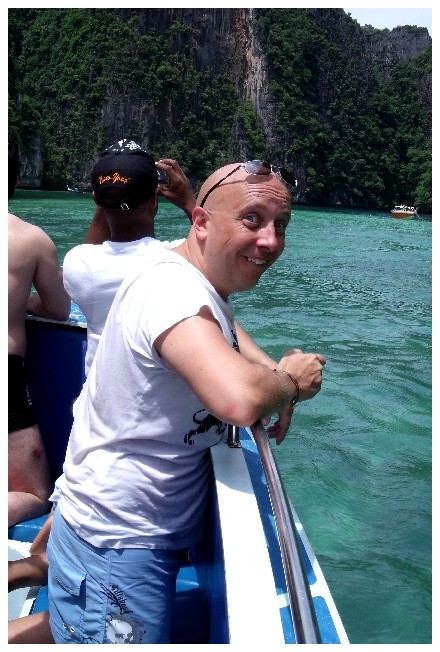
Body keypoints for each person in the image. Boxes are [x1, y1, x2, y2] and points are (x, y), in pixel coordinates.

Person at [47, 159, 326, 644]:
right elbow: (238, 400)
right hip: (120, 539)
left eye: (280, 225)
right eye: (253, 219)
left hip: (124, 528)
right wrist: (290, 382)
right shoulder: (169, 289)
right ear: (199, 222)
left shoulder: (190, 277)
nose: (270, 241)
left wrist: (271, 374)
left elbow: (220, 327)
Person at [62, 138, 195, 377]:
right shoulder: (179, 260)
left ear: (96, 200)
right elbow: (214, 247)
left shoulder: (78, 264)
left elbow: (92, 249)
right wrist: (188, 201)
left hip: (98, 400)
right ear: (154, 199)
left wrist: (110, 192)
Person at [8, 135, 71, 528]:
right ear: (15, 177)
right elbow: (59, 308)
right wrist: (25, 300)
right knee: (34, 493)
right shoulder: (29, 239)